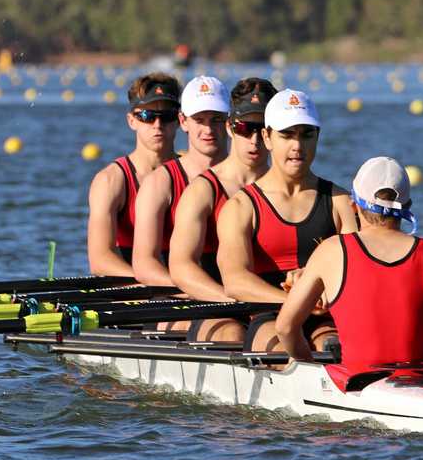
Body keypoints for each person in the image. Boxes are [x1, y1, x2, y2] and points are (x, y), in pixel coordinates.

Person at [275, 156, 423, 382]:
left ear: (354, 206)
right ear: (408, 207)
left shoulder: (331, 251)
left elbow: (285, 327)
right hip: (420, 382)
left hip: (354, 385)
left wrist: (310, 368)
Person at [216, 89, 356, 352]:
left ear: (317, 138)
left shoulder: (339, 201)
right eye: (287, 135)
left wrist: (315, 290)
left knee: (333, 345)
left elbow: (358, 271)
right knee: (281, 346)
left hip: (325, 314)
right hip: (267, 314)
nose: (297, 146)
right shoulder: (241, 207)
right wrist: (296, 300)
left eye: (306, 135)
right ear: (267, 138)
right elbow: (235, 281)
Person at [167, 77, 277, 342]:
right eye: (244, 127)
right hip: (218, 305)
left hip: (275, 305)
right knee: (232, 332)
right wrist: (235, 299)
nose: (254, 139)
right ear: (230, 127)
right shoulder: (203, 190)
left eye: (263, 128)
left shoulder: (294, 191)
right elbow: (181, 268)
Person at [131, 76, 230, 286]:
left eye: (216, 119)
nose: (209, 129)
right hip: (183, 298)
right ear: (183, 121)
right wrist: (199, 289)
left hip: (240, 295)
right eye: (199, 120)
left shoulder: (251, 179)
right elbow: (144, 264)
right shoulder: (159, 183)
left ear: (229, 122)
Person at [86, 73, 182, 277]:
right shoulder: (111, 180)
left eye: (166, 116)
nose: (157, 125)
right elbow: (100, 260)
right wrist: (160, 282)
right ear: (132, 121)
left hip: (185, 286)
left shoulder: (196, 176)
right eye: (147, 116)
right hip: (135, 289)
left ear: (179, 120)